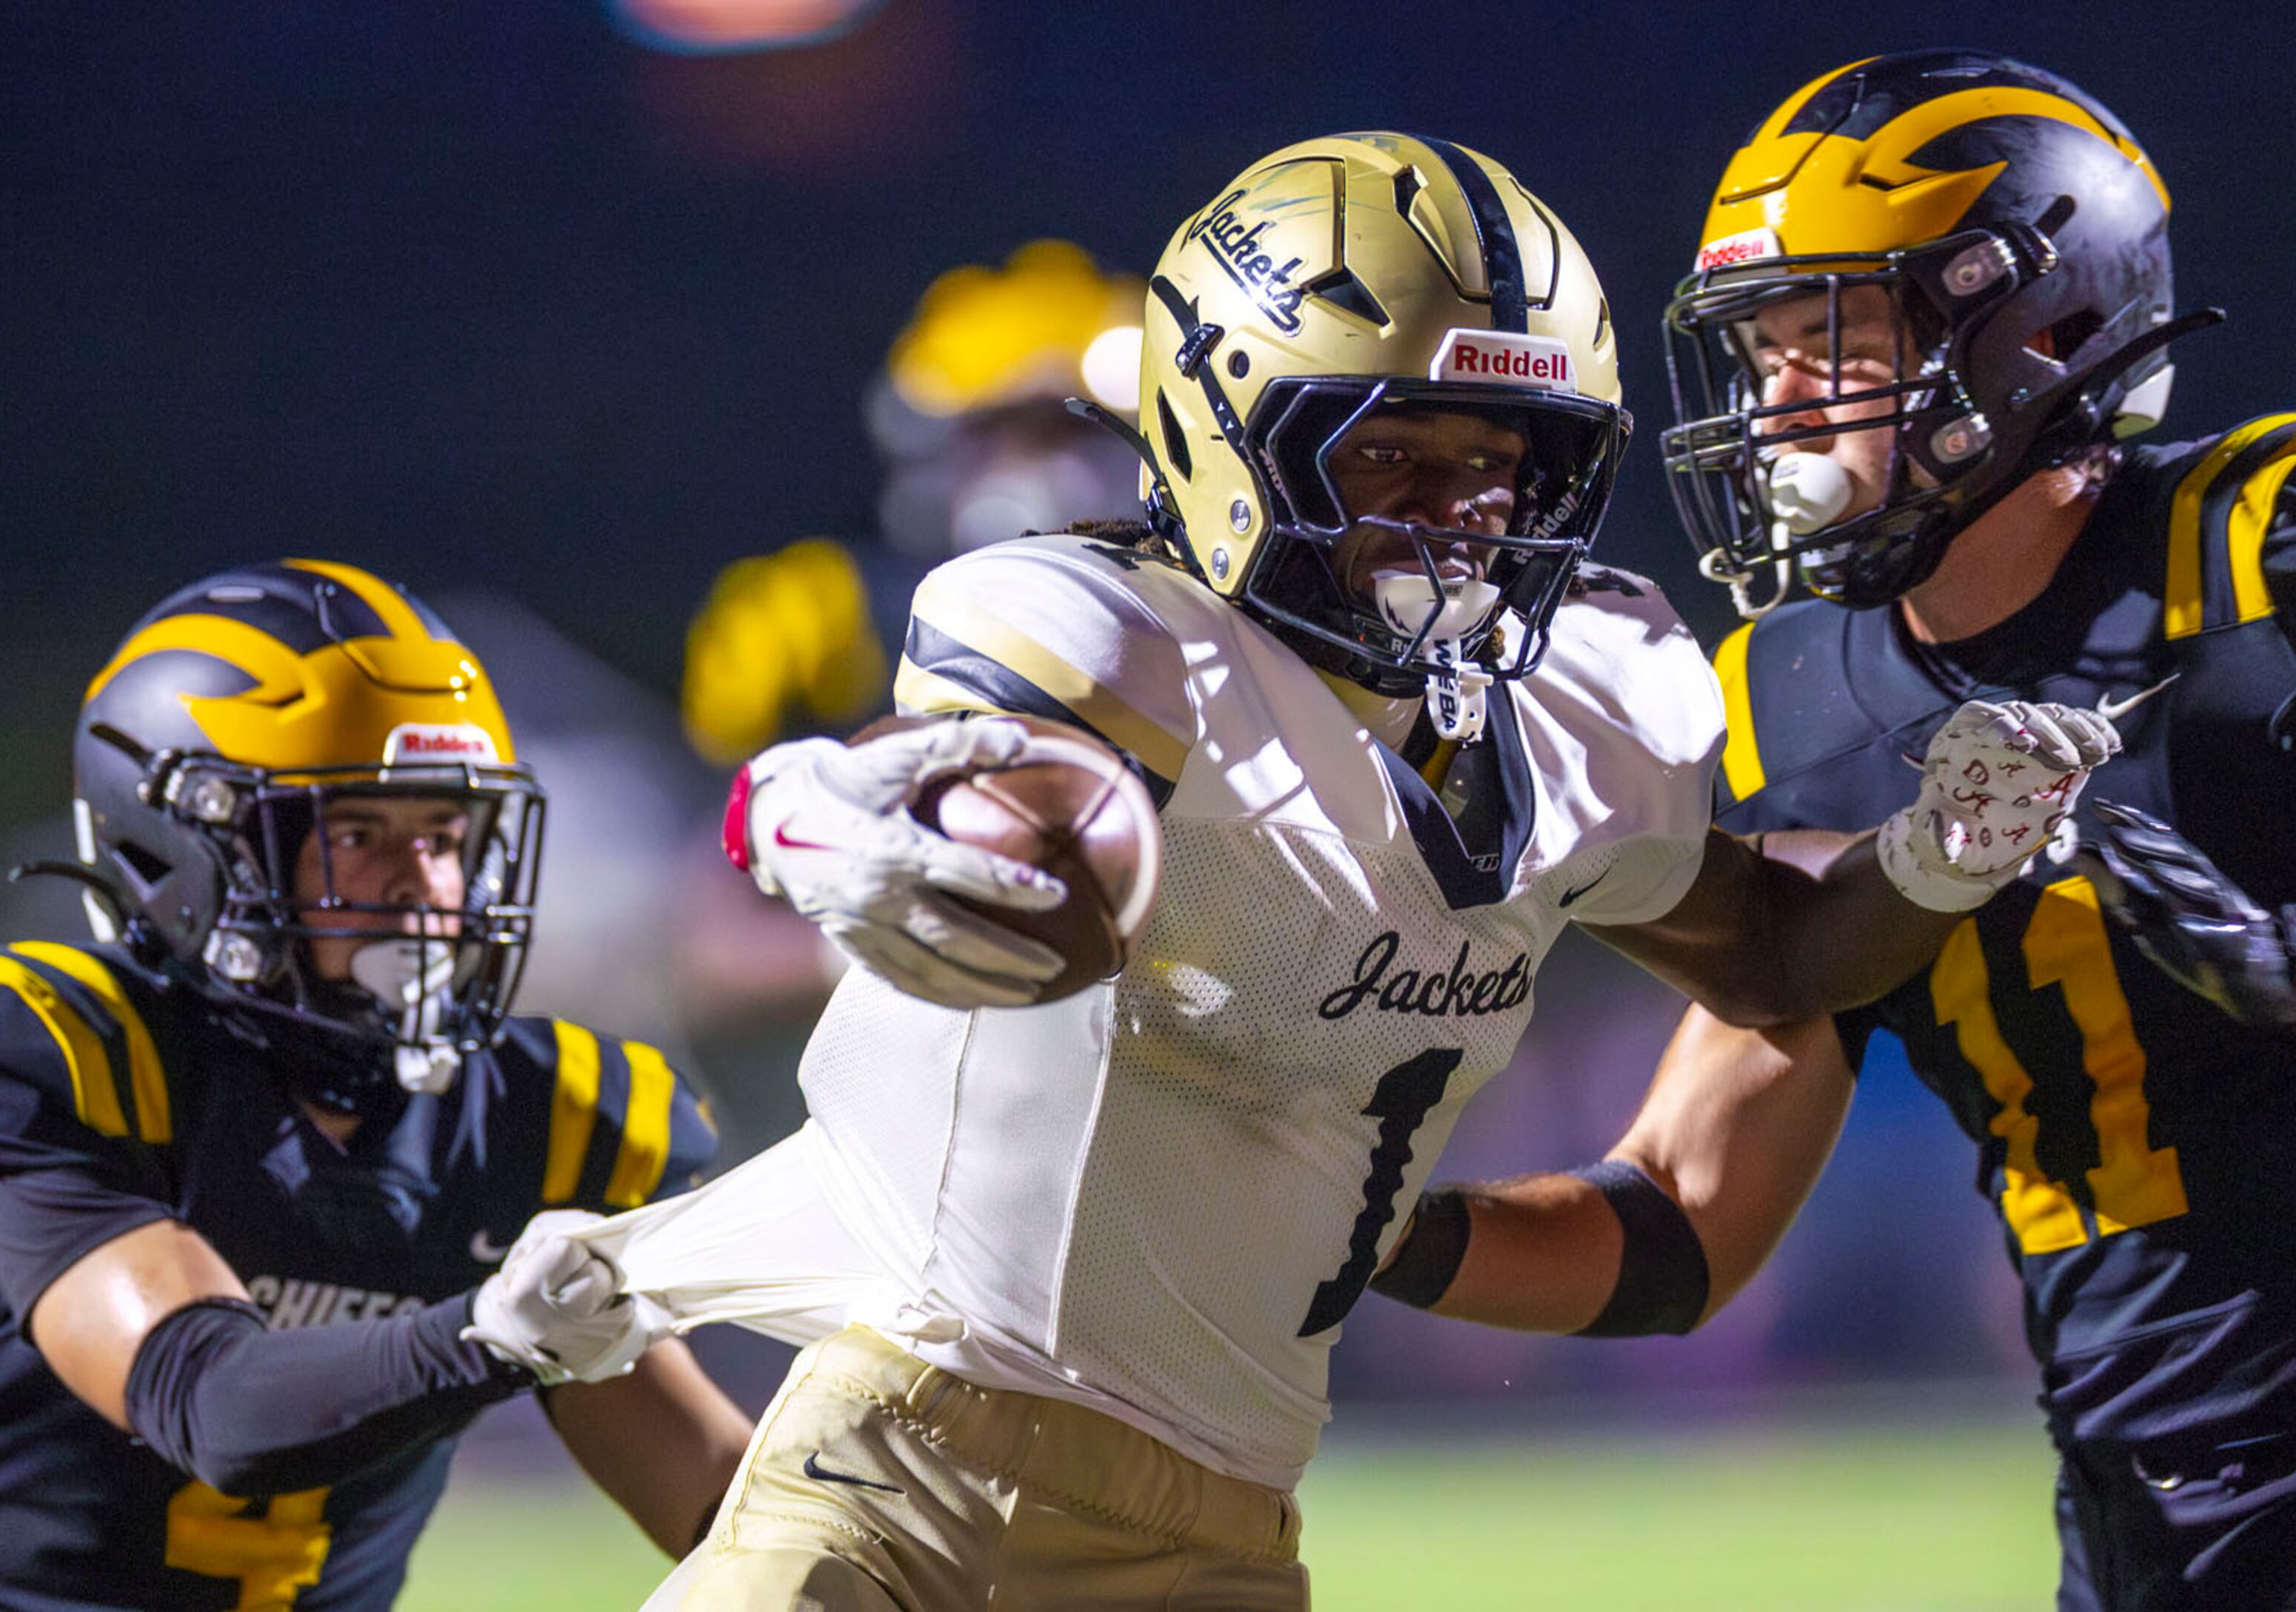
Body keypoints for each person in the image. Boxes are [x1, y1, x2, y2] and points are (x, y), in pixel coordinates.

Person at [529, 133, 2116, 1611]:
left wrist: (1931, 856)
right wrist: (845, 811)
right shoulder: (1118, 633)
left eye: (1505, 464)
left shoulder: (1583, 704)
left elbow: (1774, 961)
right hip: (905, 1471)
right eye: (1393, 456)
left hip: (1236, 1527)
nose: (1460, 517)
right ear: (1226, 439)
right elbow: (1023, 788)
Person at [1376, 51, 2296, 1611]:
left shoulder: (2258, 545)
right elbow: (1678, 1225)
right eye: (1763, 351)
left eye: (1836, 340)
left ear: (2041, 331)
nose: (1780, 404)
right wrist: (1363, 1227)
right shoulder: (1792, 694)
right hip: (2128, 1515)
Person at [0, 559, 754, 1611]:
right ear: (184, 850)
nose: (426, 888)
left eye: (445, 835)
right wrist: (493, 1333)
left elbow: (718, 1507)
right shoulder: (60, 1051)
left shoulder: (544, 1116)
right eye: (359, 835)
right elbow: (212, 1406)